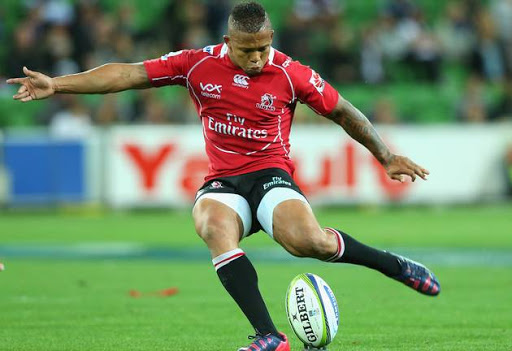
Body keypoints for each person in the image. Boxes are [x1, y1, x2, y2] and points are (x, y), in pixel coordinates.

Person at [7, 3, 440, 350]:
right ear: (227, 40)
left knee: (308, 242)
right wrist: (58, 85)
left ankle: (394, 265)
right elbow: (128, 73)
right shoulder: (195, 64)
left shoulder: (293, 74)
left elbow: (343, 110)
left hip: (270, 174)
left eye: (261, 49)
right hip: (224, 181)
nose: (254, 58)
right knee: (212, 225)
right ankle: (269, 337)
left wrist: (384, 156)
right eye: (245, 49)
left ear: (271, 39)